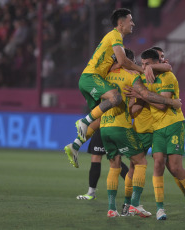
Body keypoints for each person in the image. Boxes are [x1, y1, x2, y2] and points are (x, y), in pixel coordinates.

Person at [64, 8, 159, 168]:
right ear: (121, 23)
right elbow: (123, 61)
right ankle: (84, 121)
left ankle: (74, 146)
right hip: (91, 77)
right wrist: (144, 69)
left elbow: (116, 62)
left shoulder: (114, 39)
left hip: (93, 79)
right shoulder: (115, 36)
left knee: (100, 118)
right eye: (130, 20)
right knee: (115, 98)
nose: (133, 23)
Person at [100, 48, 181, 218]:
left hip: (155, 127)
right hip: (142, 129)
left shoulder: (105, 76)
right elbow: (134, 108)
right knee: (136, 165)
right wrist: (165, 101)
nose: (139, 66)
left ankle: (118, 207)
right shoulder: (134, 78)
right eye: (138, 63)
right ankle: (130, 204)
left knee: (161, 165)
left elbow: (168, 68)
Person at [127, 49, 185, 220]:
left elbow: (162, 106)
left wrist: (143, 95)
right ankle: (160, 209)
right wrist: (142, 95)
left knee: (176, 167)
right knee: (157, 165)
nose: (144, 67)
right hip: (157, 128)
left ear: (155, 63)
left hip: (173, 124)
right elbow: (142, 101)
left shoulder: (168, 77)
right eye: (142, 64)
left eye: (146, 64)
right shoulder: (144, 79)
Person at [75, 129, 129, 200]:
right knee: (99, 158)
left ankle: (134, 188)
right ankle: (91, 193)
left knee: (114, 160)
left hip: (109, 128)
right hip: (105, 130)